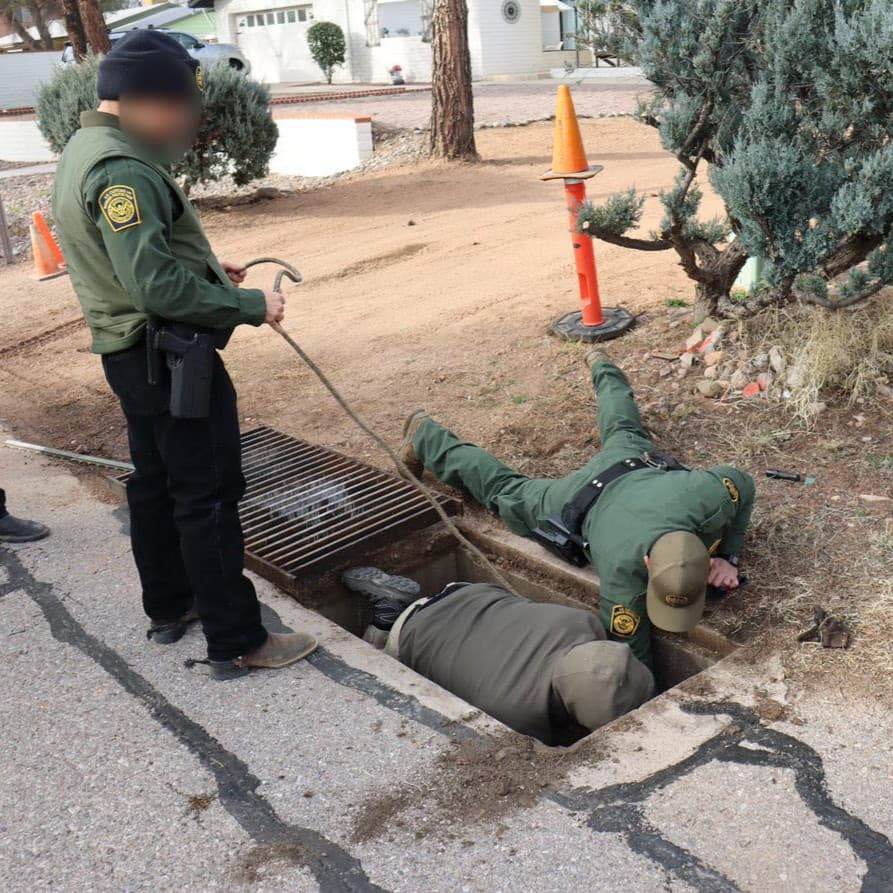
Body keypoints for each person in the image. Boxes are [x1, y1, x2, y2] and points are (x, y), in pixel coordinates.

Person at [51, 31, 316, 680]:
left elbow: (140, 259)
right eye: (179, 108)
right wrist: (251, 304)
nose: (185, 122)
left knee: (155, 482)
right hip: (168, 357)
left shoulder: (89, 148)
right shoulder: (122, 172)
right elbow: (152, 286)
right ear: (140, 101)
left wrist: (200, 264)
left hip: (133, 357)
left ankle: (170, 606)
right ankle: (239, 639)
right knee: (209, 493)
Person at [401, 351, 755, 669]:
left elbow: (744, 483)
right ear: (646, 566)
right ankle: (426, 437)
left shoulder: (708, 495)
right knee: (504, 491)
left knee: (623, 426)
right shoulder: (623, 574)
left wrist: (728, 556)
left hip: (632, 466)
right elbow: (631, 655)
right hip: (576, 500)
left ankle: (602, 363)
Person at [343, 567, 654, 745]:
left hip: (468, 593)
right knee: (376, 665)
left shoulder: (582, 623)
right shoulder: (518, 715)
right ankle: (385, 617)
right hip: (413, 633)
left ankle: (409, 602)